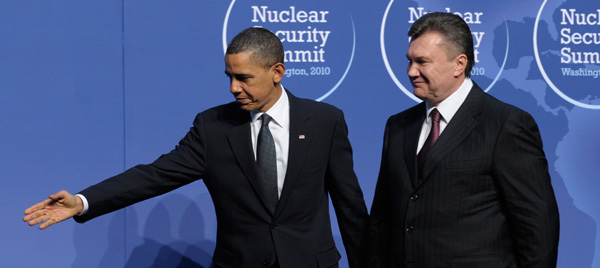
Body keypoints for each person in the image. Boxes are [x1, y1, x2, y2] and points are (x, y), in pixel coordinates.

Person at [23, 27, 368, 268]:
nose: (233, 88)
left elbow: (349, 206)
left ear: (277, 71)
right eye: (229, 76)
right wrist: (83, 202)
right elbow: (153, 176)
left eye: (244, 78)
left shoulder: (324, 121)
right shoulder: (213, 127)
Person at [368, 12, 559, 268]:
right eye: (410, 61)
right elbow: (382, 218)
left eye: (422, 62)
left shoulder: (505, 124)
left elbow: (537, 227)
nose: (411, 71)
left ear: (459, 64)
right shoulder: (398, 126)